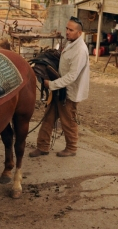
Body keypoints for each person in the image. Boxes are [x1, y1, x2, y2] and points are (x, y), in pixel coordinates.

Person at [29, 16, 90, 157]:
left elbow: (72, 76)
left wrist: (51, 84)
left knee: (68, 120)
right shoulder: (70, 43)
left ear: (79, 33)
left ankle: (72, 148)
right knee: (48, 117)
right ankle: (43, 146)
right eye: (67, 29)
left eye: (71, 30)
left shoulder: (80, 50)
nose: (67, 32)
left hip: (69, 92)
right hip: (59, 89)